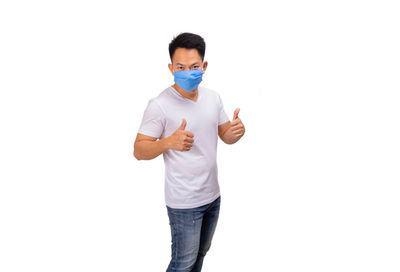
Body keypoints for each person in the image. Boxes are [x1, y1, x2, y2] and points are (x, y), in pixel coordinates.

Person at [133, 32, 245, 272]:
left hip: (212, 196)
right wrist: (168, 142)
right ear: (171, 67)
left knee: (200, 256)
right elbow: (139, 150)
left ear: (204, 66)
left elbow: (225, 135)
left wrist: (236, 131)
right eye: (180, 67)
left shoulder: (213, 98)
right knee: (182, 263)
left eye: (194, 66)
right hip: (184, 203)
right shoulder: (160, 104)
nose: (187, 72)